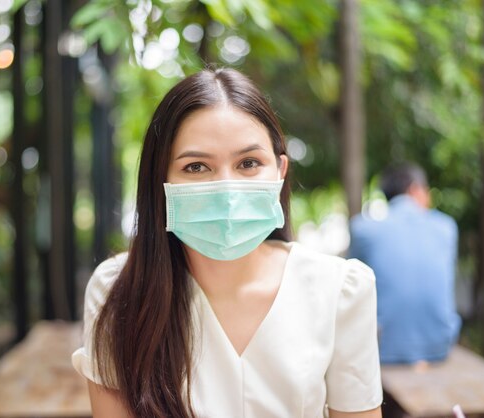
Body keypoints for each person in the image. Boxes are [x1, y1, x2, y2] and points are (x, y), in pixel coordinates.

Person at [72, 68, 382, 418]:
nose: (227, 190)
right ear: (160, 179)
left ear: (280, 172)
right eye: (196, 167)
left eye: (249, 163)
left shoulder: (340, 289)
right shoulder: (119, 291)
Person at [348, 163, 461, 365]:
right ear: (415, 189)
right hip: (438, 347)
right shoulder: (446, 228)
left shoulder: (363, 229)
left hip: (382, 349)